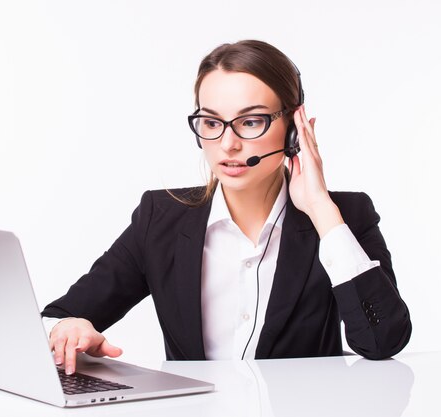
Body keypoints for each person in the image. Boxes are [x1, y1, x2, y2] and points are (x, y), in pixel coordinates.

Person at [41, 40, 412, 375]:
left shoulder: (345, 216)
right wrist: (66, 328)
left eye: (251, 121)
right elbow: (59, 315)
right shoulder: (160, 218)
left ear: (295, 127)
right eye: (212, 122)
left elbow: (382, 342)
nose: (228, 144)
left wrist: (321, 209)